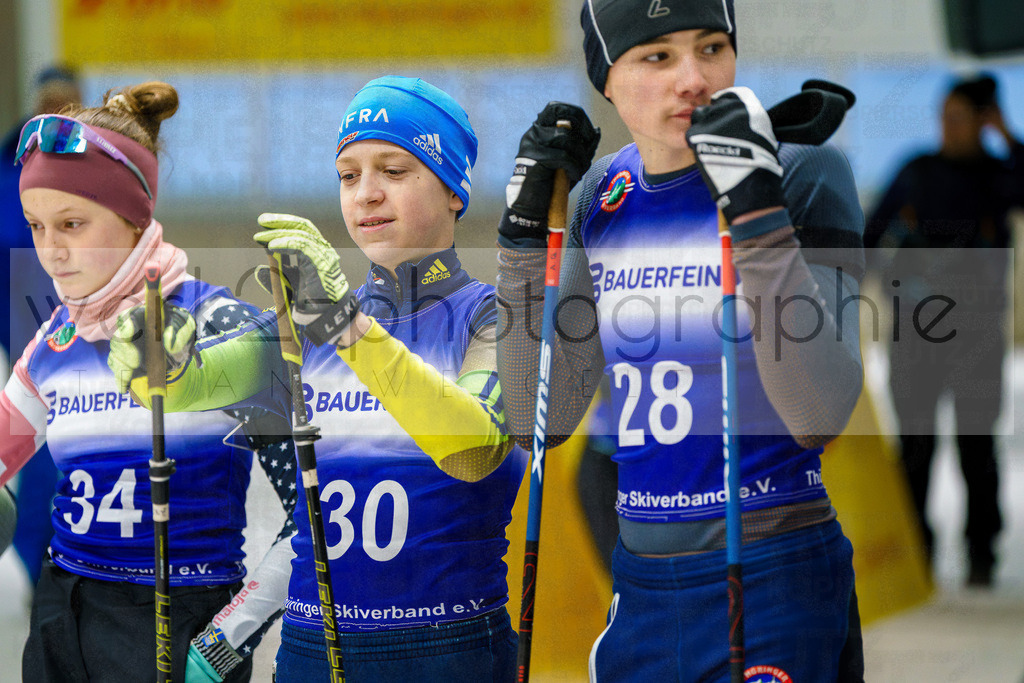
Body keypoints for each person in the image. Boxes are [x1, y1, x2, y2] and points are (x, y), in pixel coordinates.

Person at [109, 75, 528, 681]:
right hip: (312, 645)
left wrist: (345, 326)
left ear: (454, 191)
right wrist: (155, 361)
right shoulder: (311, 319)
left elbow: (474, 447)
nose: (367, 194)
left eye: (395, 170)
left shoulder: (496, 314)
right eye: (349, 175)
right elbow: (195, 381)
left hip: (444, 645)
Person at [495, 1, 867, 680]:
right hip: (641, 586)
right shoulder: (598, 194)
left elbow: (822, 416)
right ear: (607, 78)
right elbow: (537, 421)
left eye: (712, 47)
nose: (694, 78)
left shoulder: (804, 169)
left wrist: (754, 212)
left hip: (773, 574)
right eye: (657, 56)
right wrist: (522, 246)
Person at [0, 80, 296, 682]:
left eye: (73, 224)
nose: (50, 251)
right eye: (36, 226)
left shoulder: (227, 327)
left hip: (177, 616)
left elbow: (319, 514)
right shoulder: (56, 336)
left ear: (135, 220)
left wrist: (228, 637)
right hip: (63, 613)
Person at [866, 73, 1024, 587]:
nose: (947, 128)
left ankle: (982, 554)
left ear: (983, 121)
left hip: (977, 335)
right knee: (915, 446)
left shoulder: (1001, 176)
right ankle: (917, 554)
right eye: (945, 116)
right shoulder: (916, 172)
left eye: (959, 117)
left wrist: (1006, 134)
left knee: (977, 446)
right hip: (916, 333)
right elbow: (868, 236)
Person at [0, 64, 81, 587]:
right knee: (36, 445)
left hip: (84, 324)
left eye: (66, 105)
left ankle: (67, 565)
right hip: (24, 323)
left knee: (78, 442)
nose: (55, 114)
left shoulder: (100, 178)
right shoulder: (8, 173)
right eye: (47, 102)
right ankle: (33, 567)